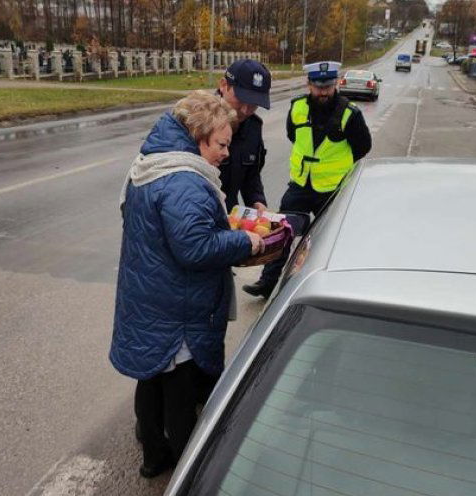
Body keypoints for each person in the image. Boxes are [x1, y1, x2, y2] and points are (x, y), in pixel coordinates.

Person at [110, 90, 264, 479]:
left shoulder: (153, 163)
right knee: (178, 391)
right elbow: (194, 248)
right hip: (176, 305)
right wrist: (244, 241)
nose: (226, 153)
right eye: (221, 144)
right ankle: (188, 471)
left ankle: (153, 457)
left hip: (149, 293)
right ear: (198, 137)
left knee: (151, 378)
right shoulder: (185, 182)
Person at [243, 61, 372, 298]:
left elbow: (363, 146)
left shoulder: (350, 114)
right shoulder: (297, 107)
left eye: (328, 86)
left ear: (335, 84)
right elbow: (294, 135)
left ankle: (325, 286)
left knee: (328, 238)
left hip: (332, 189)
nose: (323, 91)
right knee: (281, 232)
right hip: (301, 185)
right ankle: (267, 282)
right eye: (318, 86)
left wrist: (335, 166)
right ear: (309, 84)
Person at [216, 59, 272, 213]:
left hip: (231, 220)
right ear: (223, 86)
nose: (246, 110)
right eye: (241, 99)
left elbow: (251, 176)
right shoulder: (198, 123)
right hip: (200, 218)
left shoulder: (253, 127)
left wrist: (257, 201)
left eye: (254, 103)